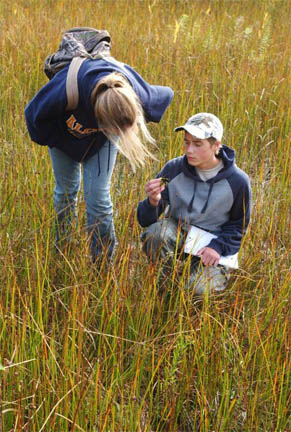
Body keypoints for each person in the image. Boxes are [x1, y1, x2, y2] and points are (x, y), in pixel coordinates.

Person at [25, 56, 173, 261]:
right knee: (65, 194)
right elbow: (33, 114)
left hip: (100, 140)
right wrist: (57, 140)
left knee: (98, 198)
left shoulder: (136, 93)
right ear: (98, 117)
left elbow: (167, 94)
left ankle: (103, 262)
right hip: (62, 135)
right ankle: (63, 250)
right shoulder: (68, 89)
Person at [137, 113, 251, 296]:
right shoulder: (174, 168)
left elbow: (238, 226)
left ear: (216, 146)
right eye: (186, 142)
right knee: (154, 235)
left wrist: (217, 247)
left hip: (212, 246)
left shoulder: (238, 182)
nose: (189, 150)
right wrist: (153, 201)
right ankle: (164, 291)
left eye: (198, 144)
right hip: (179, 232)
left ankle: (198, 280)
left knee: (197, 290)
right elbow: (145, 221)